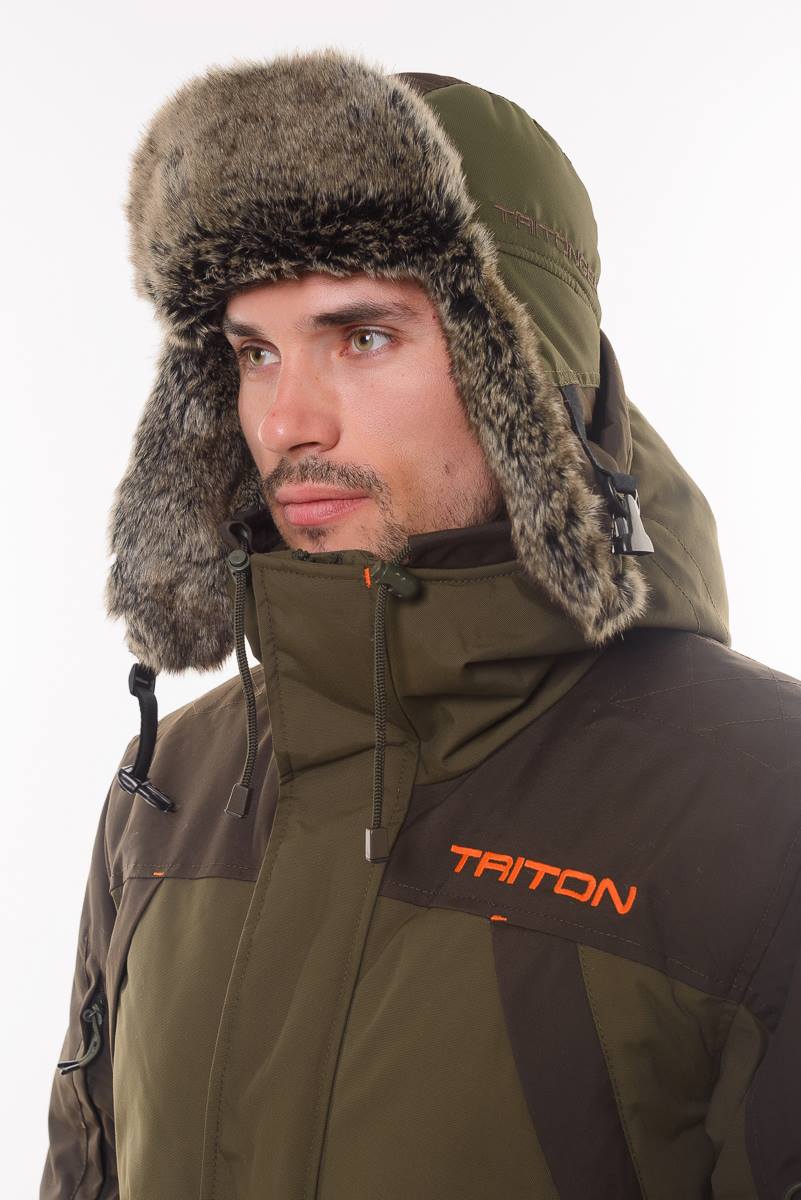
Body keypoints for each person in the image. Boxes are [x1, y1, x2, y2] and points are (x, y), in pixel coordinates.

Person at [40, 49, 801, 1200]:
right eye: (254, 352)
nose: (286, 421)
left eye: (362, 336)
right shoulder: (175, 783)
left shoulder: (764, 809)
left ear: (526, 375)